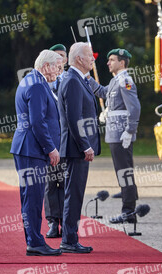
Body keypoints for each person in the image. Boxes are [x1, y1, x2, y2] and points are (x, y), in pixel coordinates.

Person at [11, 49, 63, 256]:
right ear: (47, 66)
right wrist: (51, 148)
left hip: (27, 148)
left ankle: (34, 239)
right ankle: (34, 242)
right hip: (32, 149)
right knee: (33, 198)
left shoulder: (31, 80)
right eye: (58, 67)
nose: (59, 72)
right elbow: (37, 122)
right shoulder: (38, 85)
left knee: (30, 197)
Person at [89, 48, 142, 223]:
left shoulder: (125, 80)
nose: (108, 62)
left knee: (124, 172)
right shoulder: (115, 81)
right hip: (114, 133)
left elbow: (134, 108)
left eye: (112, 60)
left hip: (121, 134)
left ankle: (128, 211)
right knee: (122, 171)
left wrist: (130, 130)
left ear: (122, 62)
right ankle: (129, 206)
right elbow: (103, 93)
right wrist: (88, 78)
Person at [58, 42, 101, 253]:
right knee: (73, 194)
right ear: (79, 59)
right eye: (89, 56)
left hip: (77, 148)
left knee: (75, 193)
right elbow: (74, 118)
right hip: (76, 148)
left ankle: (70, 237)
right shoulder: (73, 81)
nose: (93, 59)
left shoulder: (78, 79)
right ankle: (69, 239)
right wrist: (85, 146)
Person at [44, 43, 68, 238]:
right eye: (55, 58)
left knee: (67, 183)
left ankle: (68, 223)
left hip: (68, 141)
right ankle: (53, 222)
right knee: (51, 183)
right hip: (52, 142)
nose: (59, 62)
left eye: (62, 57)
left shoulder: (72, 79)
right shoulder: (44, 82)